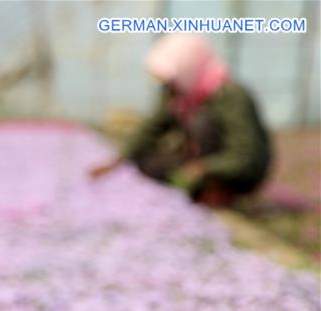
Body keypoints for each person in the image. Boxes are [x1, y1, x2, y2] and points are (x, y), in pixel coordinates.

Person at [89, 34, 272, 207]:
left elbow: (245, 157)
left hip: (238, 175)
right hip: (200, 167)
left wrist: (204, 168)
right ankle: (198, 190)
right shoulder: (183, 94)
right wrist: (117, 160)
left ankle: (219, 192)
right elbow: (152, 127)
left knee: (201, 121)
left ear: (187, 67)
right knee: (146, 161)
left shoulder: (232, 96)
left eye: (170, 80)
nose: (167, 87)